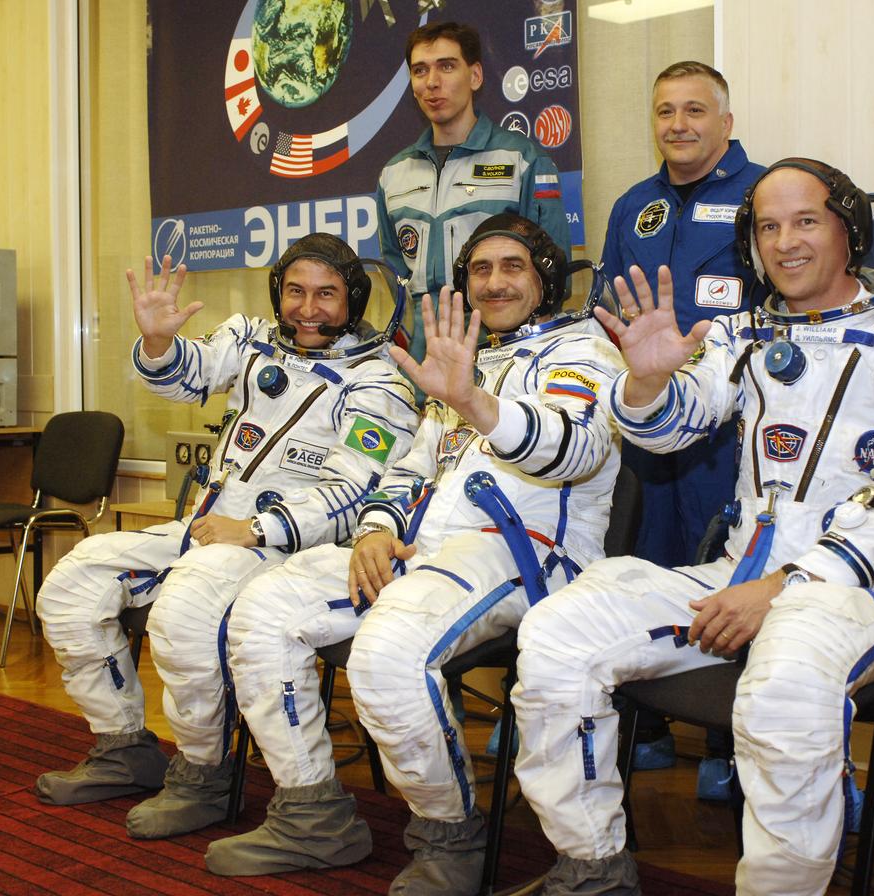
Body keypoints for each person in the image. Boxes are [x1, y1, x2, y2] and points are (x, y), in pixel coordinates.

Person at [510, 159, 874, 895]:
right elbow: (669, 429)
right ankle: (592, 866)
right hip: (744, 575)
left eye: (806, 221)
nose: (785, 242)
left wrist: (789, 584)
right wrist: (645, 380)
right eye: (767, 226)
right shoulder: (743, 334)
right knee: (558, 632)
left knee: (784, 683)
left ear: (850, 229)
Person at [204, 214, 623, 894]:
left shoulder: (583, 356)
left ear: (545, 277)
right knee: (264, 609)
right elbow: (408, 466)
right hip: (423, 549)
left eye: (512, 266)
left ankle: (449, 837)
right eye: (479, 270)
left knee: (386, 653)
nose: (494, 282)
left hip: (524, 552)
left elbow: (573, 450)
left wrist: (476, 404)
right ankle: (313, 815)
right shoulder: (471, 357)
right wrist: (373, 528)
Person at [32, 235, 419, 841]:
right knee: (73, 583)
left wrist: (259, 528)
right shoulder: (249, 339)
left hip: (284, 548)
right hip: (209, 530)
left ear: (354, 299)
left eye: (326, 294)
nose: (308, 309)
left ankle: (203, 774)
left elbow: (356, 493)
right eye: (295, 291)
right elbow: (188, 376)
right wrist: (159, 341)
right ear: (277, 293)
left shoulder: (380, 382)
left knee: (182, 613)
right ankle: (123, 747)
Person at [601, 60, 765, 569]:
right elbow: (607, 304)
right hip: (649, 412)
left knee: (723, 564)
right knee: (647, 563)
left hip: (728, 422)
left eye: (695, 110)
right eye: (665, 112)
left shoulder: (764, 194)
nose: (678, 124)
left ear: (726, 122)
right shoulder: (633, 206)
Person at [376, 21, 572, 361]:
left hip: (500, 356)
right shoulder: (394, 174)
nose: (432, 82)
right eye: (420, 70)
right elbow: (397, 279)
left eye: (447, 66)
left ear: (476, 76)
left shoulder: (522, 161)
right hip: (421, 360)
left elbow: (555, 277)